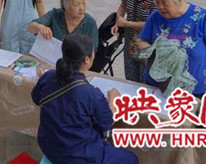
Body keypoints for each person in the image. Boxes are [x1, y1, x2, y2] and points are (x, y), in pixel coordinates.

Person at [32, 33, 138, 164]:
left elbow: (36, 98)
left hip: (49, 147)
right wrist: (114, 99)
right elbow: (107, 123)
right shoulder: (91, 94)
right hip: (79, 156)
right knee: (131, 159)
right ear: (87, 60)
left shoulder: (47, 77)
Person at [136, 0, 206, 97]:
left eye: (165, 2)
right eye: (156, 2)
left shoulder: (201, 17)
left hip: (193, 88)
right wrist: (154, 52)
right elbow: (142, 40)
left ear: (179, 0)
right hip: (157, 84)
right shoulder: (155, 16)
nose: (160, 7)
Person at [111, 0, 158, 83]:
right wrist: (117, 22)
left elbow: (151, 24)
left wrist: (126, 23)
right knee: (130, 77)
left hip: (146, 44)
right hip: (130, 42)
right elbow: (123, 6)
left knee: (145, 78)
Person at [28, 0, 98, 50]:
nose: (82, 8)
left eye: (84, 3)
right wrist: (40, 27)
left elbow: (92, 51)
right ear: (65, 5)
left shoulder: (90, 23)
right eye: (77, 4)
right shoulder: (55, 15)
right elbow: (30, 27)